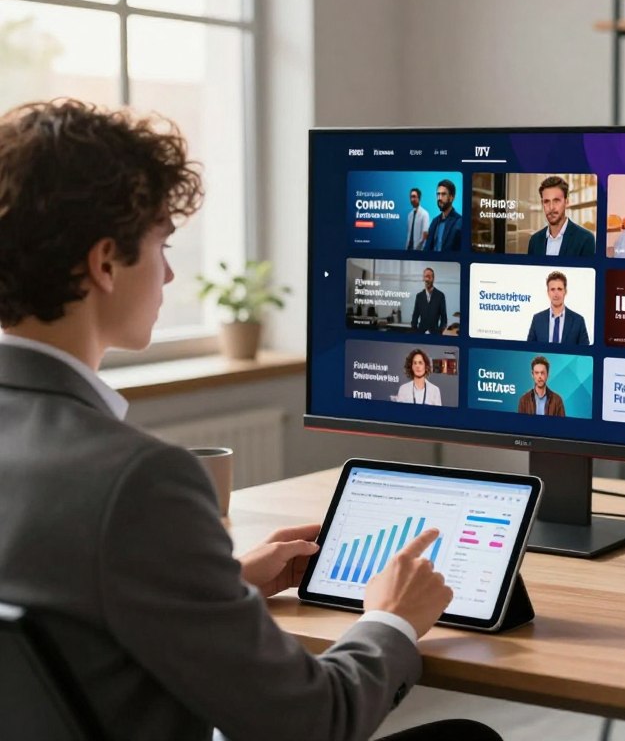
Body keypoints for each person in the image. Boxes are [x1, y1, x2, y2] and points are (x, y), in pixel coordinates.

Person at [0, 99, 499, 741]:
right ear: (104, 263)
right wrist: (392, 619)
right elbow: (313, 722)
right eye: (162, 245)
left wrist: (221, 587)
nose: (171, 272)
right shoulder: (141, 483)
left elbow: (69, 608)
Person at [525, 175, 595, 257]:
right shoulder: (534, 241)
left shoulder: (585, 239)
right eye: (547, 201)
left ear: (567, 202)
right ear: (542, 204)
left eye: (556, 201)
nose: (551, 207)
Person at [526, 271, 590, 346]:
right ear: (548, 292)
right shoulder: (537, 319)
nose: (556, 293)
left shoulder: (578, 321)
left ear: (565, 292)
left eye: (559, 289)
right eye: (552, 289)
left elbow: (585, 353)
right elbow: (529, 349)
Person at [423, 179, 461, 252]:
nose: (439, 198)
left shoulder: (459, 222)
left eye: (443, 194)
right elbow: (427, 248)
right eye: (438, 194)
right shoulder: (434, 221)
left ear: (451, 197)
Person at [410, 267, 447, 334]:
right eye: (425, 277)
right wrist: (414, 331)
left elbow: (444, 317)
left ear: (433, 278)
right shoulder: (419, 296)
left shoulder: (440, 296)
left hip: (435, 335)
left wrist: (440, 332)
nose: (427, 279)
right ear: (423, 279)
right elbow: (415, 315)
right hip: (420, 334)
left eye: (429, 277)